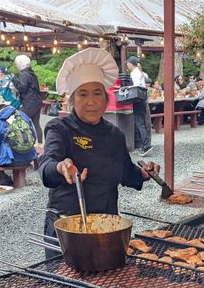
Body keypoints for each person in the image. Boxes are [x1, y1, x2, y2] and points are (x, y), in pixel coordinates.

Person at [39, 48, 160, 241]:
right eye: (83, 94)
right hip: (67, 227)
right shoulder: (60, 128)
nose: (91, 101)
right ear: (72, 101)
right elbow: (46, 166)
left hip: (107, 225)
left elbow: (126, 173)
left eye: (97, 93)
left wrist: (144, 174)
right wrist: (61, 167)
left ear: (105, 100)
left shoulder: (115, 134)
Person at [0, 95, 37, 169]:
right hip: (30, 156)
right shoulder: (22, 115)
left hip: (11, 159)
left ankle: (4, 180)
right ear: (5, 104)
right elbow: (34, 137)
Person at [12, 54, 44, 148]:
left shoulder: (24, 74)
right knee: (36, 123)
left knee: (20, 120)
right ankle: (40, 143)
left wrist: (14, 79)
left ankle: (25, 141)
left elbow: (22, 88)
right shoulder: (33, 74)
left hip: (29, 102)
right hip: (37, 102)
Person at [125, 55, 152, 156]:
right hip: (142, 99)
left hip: (138, 100)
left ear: (130, 64)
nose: (127, 65)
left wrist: (128, 87)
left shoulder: (135, 73)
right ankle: (144, 145)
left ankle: (146, 146)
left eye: (127, 63)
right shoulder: (140, 72)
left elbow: (136, 86)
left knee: (139, 123)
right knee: (141, 123)